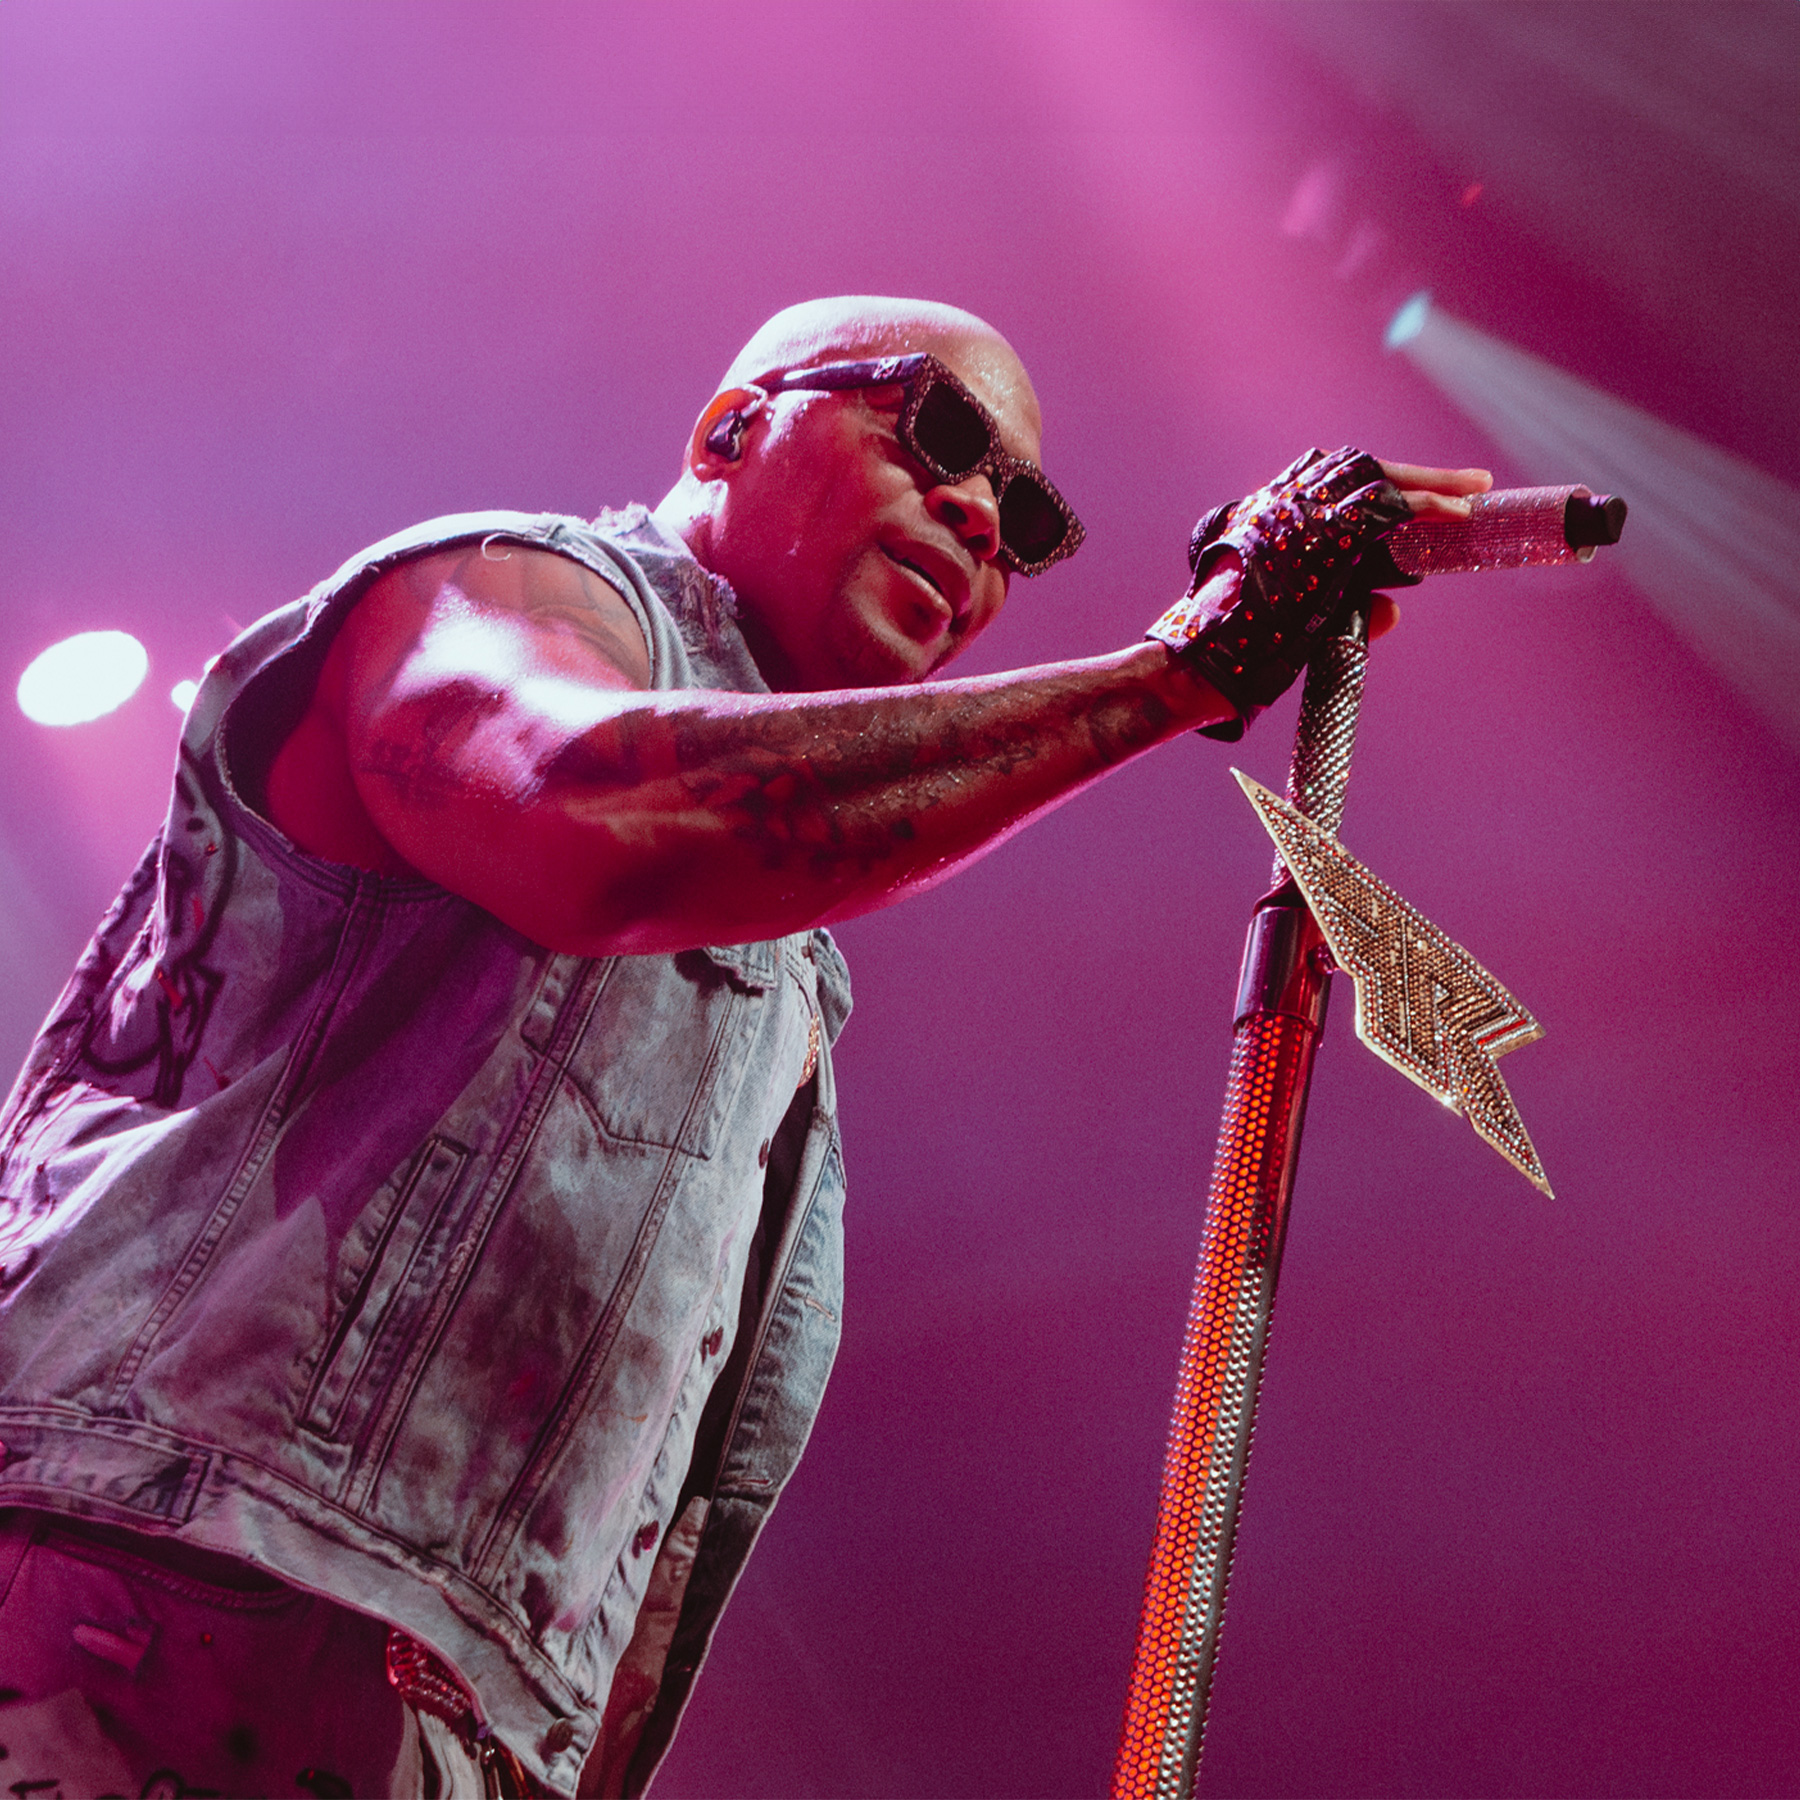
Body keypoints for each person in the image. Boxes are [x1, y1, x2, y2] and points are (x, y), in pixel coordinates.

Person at [0, 296, 1486, 1797]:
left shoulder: (786, 975)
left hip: (436, 1727)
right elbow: (589, 817)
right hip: (151, 1593)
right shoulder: (506, 588)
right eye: (938, 431)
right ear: (729, 432)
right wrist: (1178, 671)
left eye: (1026, 519)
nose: (981, 518)